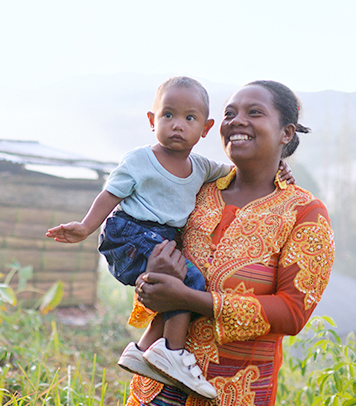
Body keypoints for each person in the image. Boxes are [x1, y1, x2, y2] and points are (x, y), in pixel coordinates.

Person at [46, 77, 293, 399]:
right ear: (152, 121)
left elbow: (235, 172)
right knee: (188, 278)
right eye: (168, 116)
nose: (177, 126)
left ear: (204, 128)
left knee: (179, 277)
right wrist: (85, 226)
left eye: (189, 119)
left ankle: (145, 347)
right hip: (131, 233)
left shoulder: (202, 171)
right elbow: (110, 195)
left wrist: (279, 171)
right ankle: (172, 352)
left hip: (161, 240)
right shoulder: (141, 160)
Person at [127, 80, 334, 406]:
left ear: (286, 133)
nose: (237, 121)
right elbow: (147, 242)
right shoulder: (195, 190)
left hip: (235, 391)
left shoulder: (305, 214)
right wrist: (150, 276)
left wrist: (190, 298)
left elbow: (292, 313)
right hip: (155, 387)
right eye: (229, 113)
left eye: (254, 113)